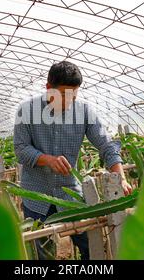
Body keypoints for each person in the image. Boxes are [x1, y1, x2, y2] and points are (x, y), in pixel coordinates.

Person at [13, 60, 132, 260]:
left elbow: (106, 144)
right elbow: (21, 149)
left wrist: (120, 177)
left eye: (73, 96)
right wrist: (47, 159)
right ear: (48, 88)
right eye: (62, 95)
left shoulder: (83, 111)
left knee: (91, 248)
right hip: (35, 196)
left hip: (70, 196)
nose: (68, 102)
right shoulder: (26, 110)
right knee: (44, 255)